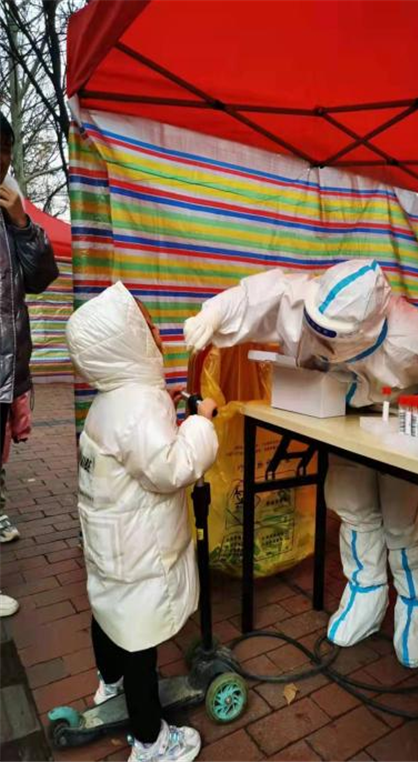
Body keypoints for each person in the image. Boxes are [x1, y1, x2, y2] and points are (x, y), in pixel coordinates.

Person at [184, 258, 418, 668]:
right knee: (353, 509)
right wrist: (214, 312)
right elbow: (261, 296)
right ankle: (365, 592)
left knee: (404, 521)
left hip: (401, 426)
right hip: (341, 415)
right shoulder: (306, 301)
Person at [66, 282, 218, 762]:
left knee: (109, 613)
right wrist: (201, 421)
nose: (156, 333)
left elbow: (134, 448)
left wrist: (165, 409)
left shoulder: (110, 400)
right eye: (146, 325)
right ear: (126, 340)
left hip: (110, 544)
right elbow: (172, 467)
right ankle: (152, 742)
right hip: (139, 549)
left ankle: (108, 685)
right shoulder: (140, 403)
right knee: (139, 643)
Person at [0, 111, 58, 617]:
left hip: (7, 369)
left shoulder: (9, 214)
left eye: (5, 154)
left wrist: (22, 223)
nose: (1, 164)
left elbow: (41, 277)